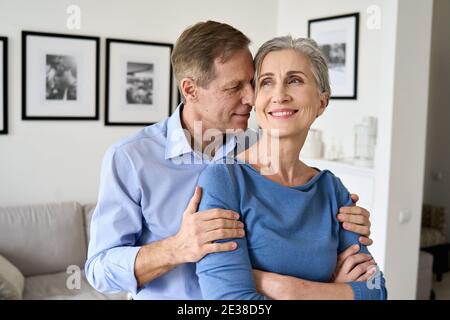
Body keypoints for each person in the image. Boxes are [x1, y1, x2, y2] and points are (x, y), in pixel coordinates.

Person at [85, 21, 374, 300]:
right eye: (235, 87)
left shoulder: (259, 150)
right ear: (190, 90)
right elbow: (98, 270)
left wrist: (336, 225)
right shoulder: (132, 158)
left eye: (252, 83)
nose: (250, 97)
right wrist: (177, 248)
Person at [196, 36, 387, 300]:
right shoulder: (225, 180)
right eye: (267, 82)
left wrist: (286, 288)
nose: (280, 95)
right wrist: (337, 292)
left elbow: (376, 291)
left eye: (295, 80)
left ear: (322, 102)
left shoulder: (331, 189)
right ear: (255, 100)